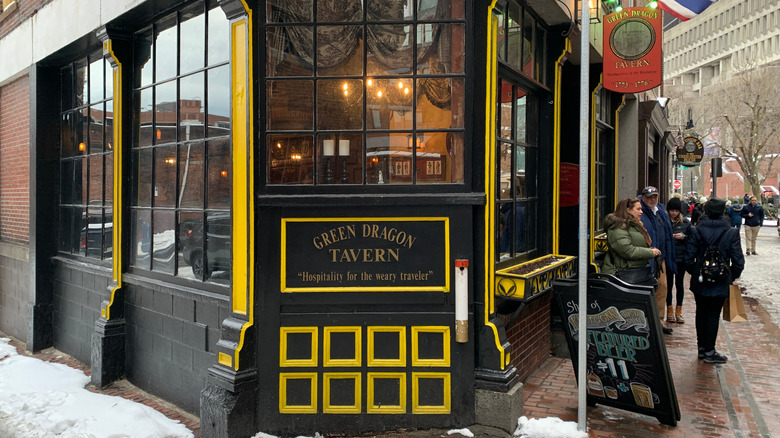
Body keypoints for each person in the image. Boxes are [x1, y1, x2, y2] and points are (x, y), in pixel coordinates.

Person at [684, 198, 745, 363]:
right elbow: (738, 261)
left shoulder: (695, 230)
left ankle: (702, 348)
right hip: (721, 279)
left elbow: (688, 259)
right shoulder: (731, 232)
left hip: (701, 279)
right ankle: (710, 350)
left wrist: (696, 271)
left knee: (701, 312)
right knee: (713, 314)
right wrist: (730, 275)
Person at [639, 186, 677, 335]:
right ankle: (646, 322)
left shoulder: (661, 212)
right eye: (649, 197)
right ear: (643, 197)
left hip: (660, 258)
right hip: (646, 257)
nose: (652, 199)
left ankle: (659, 321)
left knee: (663, 288)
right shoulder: (640, 212)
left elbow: (667, 235)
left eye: (655, 196)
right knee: (647, 289)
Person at [602, 198, 662, 288]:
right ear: (628, 210)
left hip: (635, 274)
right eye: (638, 209)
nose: (641, 212)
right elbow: (627, 251)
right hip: (621, 276)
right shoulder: (617, 227)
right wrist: (650, 252)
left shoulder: (634, 225)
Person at [665, 197, 691, 324]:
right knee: (668, 285)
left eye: (676, 211)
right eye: (671, 210)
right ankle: (669, 310)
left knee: (679, 284)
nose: (673, 213)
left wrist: (684, 237)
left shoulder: (685, 223)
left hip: (681, 257)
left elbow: (692, 238)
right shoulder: (664, 222)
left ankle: (678, 310)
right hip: (669, 256)